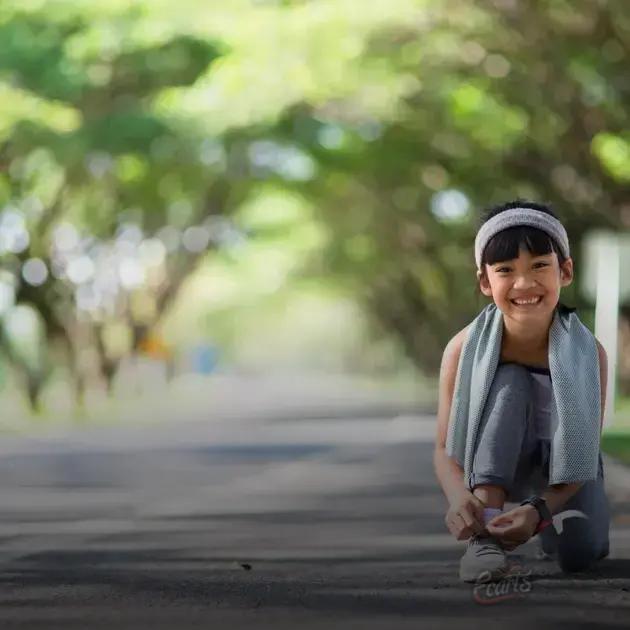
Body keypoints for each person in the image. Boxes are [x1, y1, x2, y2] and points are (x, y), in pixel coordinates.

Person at [433, 199, 611, 583]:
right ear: (485, 282)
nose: (524, 283)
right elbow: (443, 448)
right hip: (496, 462)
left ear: (564, 271)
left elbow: (584, 451)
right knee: (510, 380)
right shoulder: (464, 349)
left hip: (564, 472)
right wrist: (459, 500)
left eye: (539, 266)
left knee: (580, 555)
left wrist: (538, 511)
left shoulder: (589, 354)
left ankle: (543, 526)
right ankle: (487, 538)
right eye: (505, 270)